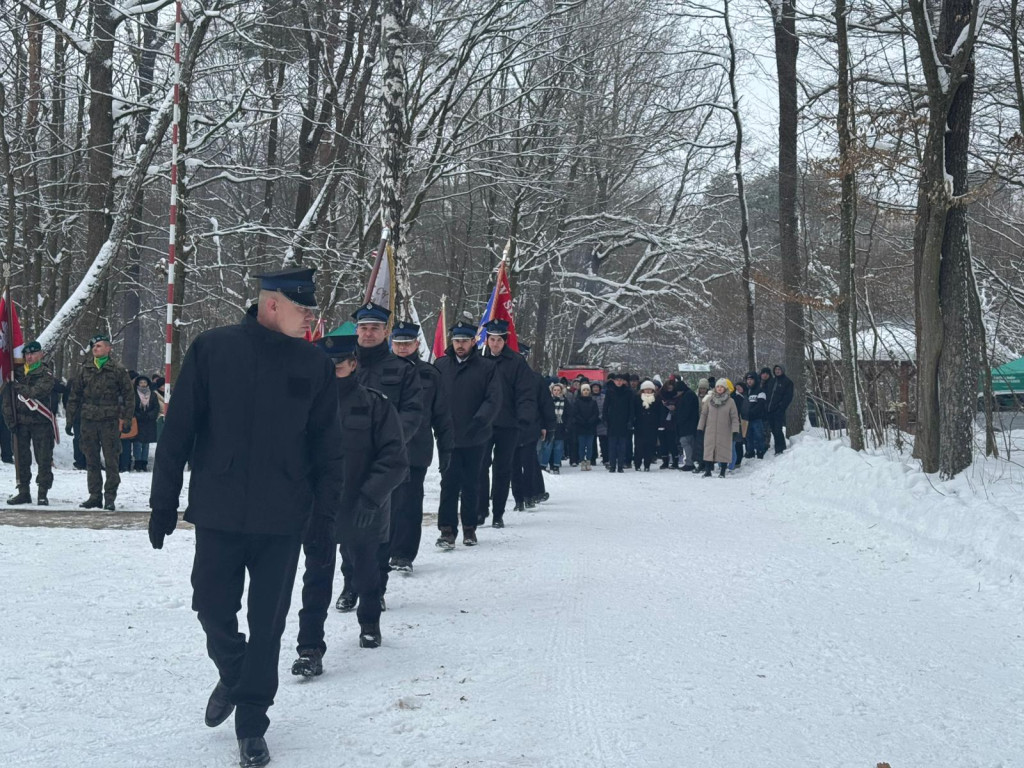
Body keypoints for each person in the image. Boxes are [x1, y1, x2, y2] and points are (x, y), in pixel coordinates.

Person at [148, 267, 345, 768]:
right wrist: (163, 502)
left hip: (283, 518)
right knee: (210, 607)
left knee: (268, 624)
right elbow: (179, 432)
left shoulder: (314, 365)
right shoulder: (214, 350)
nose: (312, 320)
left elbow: (329, 449)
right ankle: (235, 676)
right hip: (219, 510)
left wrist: (325, 519)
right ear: (273, 304)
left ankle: (252, 723)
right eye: (305, 310)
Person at [292, 333, 407, 677]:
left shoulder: (375, 405)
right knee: (316, 580)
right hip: (320, 510)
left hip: (363, 505)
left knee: (367, 572)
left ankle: (369, 621)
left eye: (337, 364)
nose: (330, 371)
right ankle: (310, 648)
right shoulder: (303, 405)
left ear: (353, 364)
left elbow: (394, 458)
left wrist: (372, 496)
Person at [335, 302, 423, 614]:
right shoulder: (342, 364)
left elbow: (413, 411)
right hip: (349, 464)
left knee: (381, 529)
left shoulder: (402, 370)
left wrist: (393, 441)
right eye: (364, 327)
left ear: (385, 331)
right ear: (356, 330)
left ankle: (377, 586)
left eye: (375, 328)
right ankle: (350, 584)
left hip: (388, 465)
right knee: (346, 527)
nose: (369, 333)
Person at [388, 321, 453, 572]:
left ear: (417, 344)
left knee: (410, 503)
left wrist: (446, 447)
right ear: (391, 343)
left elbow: (442, 415)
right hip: (381, 448)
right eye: (398, 343)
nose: (403, 348)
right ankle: (382, 549)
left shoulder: (429, 374)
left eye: (407, 343)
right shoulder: (381, 369)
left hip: (416, 448)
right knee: (384, 503)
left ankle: (403, 554)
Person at [434, 321, 501, 548]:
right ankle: (447, 530)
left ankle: (470, 528)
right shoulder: (441, 365)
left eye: (464, 341)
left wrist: (480, 421)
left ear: (474, 342)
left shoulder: (487, 367)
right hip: (448, 435)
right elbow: (433, 398)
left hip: (476, 435)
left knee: (472, 484)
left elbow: (493, 399)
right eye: (456, 341)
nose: (460, 345)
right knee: (448, 484)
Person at [477, 319, 535, 528]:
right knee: (481, 466)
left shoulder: (516, 362)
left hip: (508, 423)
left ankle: (498, 513)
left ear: (505, 341)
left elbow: (525, 393)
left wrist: (524, 417)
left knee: (503, 469)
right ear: (487, 340)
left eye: (499, 340)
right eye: (491, 339)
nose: (495, 344)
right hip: (484, 423)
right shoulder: (479, 359)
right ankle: (481, 508)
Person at [66, 334, 134, 510]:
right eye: (94, 346)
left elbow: (128, 396)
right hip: (88, 420)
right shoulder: (85, 369)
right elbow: (75, 396)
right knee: (91, 459)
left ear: (108, 348)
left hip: (109, 420)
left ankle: (110, 496)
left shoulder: (117, 370)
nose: (95, 349)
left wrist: (127, 419)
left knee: (111, 460)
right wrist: (70, 418)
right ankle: (94, 495)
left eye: (99, 346)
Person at [2, 340, 57, 505]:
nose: (29, 357)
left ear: (41, 354)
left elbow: (36, 393)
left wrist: (17, 386)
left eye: (33, 353)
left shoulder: (45, 374)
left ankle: (42, 492)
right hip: (21, 423)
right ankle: (23, 491)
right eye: (27, 354)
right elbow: (7, 401)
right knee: (21, 459)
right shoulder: (15, 374)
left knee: (44, 458)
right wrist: (10, 421)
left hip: (41, 423)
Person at [697, 379, 740, 478]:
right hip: (710, 429)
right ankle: (708, 471)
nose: (719, 388)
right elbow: (704, 414)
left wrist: (735, 430)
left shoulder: (730, 401)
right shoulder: (709, 400)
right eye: (718, 387)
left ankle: (723, 472)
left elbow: (734, 417)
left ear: (725, 388)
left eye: (721, 387)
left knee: (724, 450)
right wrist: (700, 427)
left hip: (725, 430)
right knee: (708, 450)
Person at [602, 374, 635, 473]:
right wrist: (605, 419)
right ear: (614, 381)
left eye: (621, 380)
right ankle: (612, 465)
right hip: (612, 421)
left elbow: (631, 408)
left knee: (622, 445)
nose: (619, 382)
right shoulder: (610, 391)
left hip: (624, 421)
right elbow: (605, 406)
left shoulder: (628, 392)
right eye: (617, 380)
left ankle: (620, 465)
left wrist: (630, 420)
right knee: (612, 445)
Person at [131, 375, 160, 471]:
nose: (143, 384)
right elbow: (132, 407)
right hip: (138, 422)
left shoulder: (153, 395)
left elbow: (156, 408)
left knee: (146, 443)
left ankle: (144, 463)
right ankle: (137, 462)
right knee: (137, 443)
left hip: (149, 422)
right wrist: (138, 415)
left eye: (144, 382)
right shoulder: (134, 394)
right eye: (141, 383)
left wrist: (149, 415)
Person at [539, 382, 569, 473]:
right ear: (551, 391)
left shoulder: (565, 401)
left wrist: (567, 425)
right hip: (549, 427)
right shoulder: (547, 400)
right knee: (547, 447)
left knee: (558, 448)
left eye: (558, 390)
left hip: (560, 427)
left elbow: (569, 415)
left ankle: (556, 465)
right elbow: (543, 414)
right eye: (554, 390)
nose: (556, 392)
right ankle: (543, 465)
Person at [764, 364, 794, 454]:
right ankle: (778, 448)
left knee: (778, 429)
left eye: (779, 369)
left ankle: (780, 448)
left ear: (782, 371)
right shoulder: (772, 381)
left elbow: (788, 397)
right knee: (773, 430)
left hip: (779, 410)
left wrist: (781, 408)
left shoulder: (787, 382)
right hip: (769, 410)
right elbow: (768, 394)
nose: (777, 371)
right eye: (776, 369)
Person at [634, 380, 663, 471]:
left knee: (650, 446)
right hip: (640, 425)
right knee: (639, 446)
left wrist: (659, 424)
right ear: (642, 390)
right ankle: (637, 464)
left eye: (650, 390)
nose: (648, 391)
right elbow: (634, 411)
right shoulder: (637, 398)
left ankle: (647, 465)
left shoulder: (657, 398)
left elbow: (660, 412)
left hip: (652, 426)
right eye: (646, 389)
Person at [571, 382, 600, 470]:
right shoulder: (577, 402)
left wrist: (591, 420)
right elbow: (575, 414)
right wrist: (582, 421)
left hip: (590, 427)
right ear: (581, 391)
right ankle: (582, 461)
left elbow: (596, 413)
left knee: (590, 446)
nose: (586, 391)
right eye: (584, 390)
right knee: (581, 446)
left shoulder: (593, 402)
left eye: (587, 390)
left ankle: (588, 461)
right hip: (581, 427)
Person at [675, 379, 700, 472]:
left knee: (685, 442)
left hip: (687, 425)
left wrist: (679, 419)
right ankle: (693, 461)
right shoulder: (689, 394)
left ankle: (690, 463)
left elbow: (686, 411)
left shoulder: (687, 396)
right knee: (690, 443)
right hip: (690, 424)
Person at [658, 379, 681, 469]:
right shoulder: (660, 396)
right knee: (663, 443)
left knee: (672, 442)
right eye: (668, 388)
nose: (670, 390)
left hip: (672, 422)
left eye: (671, 388)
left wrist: (674, 408)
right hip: (662, 421)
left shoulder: (677, 397)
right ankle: (665, 461)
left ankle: (675, 461)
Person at [744, 372, 767, 459]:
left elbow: (761, 405)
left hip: (757, 418)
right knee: (748, 436)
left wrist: (751, 412)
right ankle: (750, 451)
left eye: (751, 379)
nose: (749, 381)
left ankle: (760, 451)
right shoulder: (747, 391)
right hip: (747, 419)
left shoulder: (760, 391)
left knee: (759, 435)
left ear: (755, 380)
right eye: (748, 380)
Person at [591, 381, 608, 465]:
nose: (595, 389)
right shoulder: (590, 397)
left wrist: (601, 417)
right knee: (592, 441)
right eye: (594, 387)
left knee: (604, 441)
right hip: (592, 421)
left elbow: (606, 408)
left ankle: (606, 458)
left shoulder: (604, 397)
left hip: (602, 421)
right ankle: (592, 458)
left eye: (597, 387)